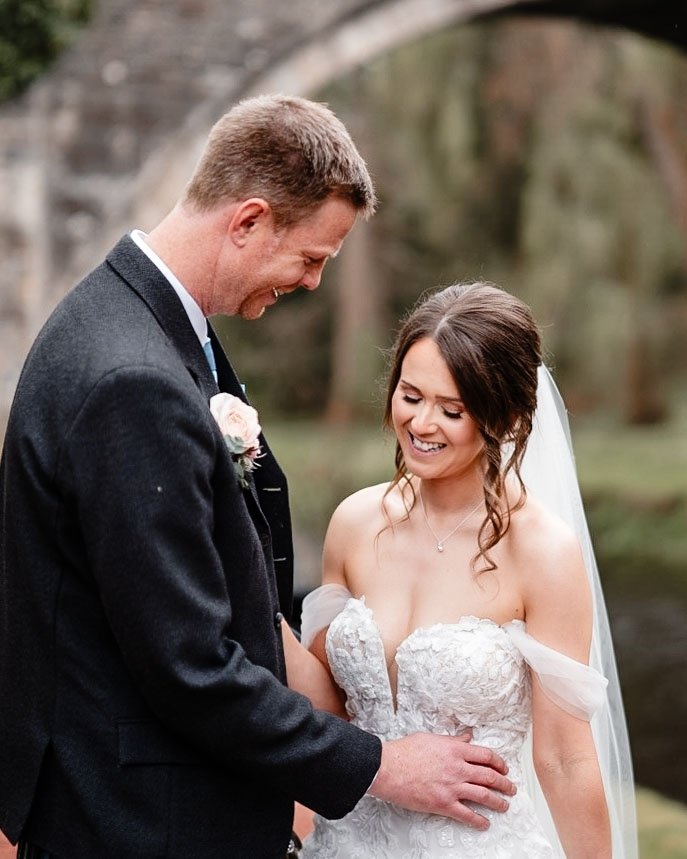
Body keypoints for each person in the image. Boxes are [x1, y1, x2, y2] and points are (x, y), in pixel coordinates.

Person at [0, 96, 516, 859]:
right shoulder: (132, 378)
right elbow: (188, 667)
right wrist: (381, 765)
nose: (312, 281)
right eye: (310, 257)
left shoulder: (139, 324)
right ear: (247, 221)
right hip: (138, 822)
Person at [298, 281, 638, 857]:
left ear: (504, 418)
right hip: (347, 841)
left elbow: (563, 757)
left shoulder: (542, 551)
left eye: (451, 410)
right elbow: (323, 708)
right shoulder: (354, 521)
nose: (421, 423)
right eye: (410, 395)